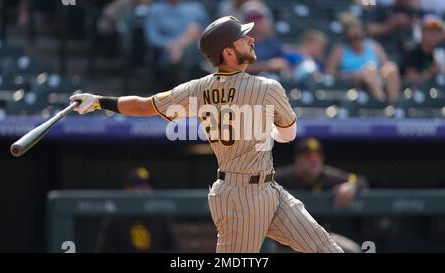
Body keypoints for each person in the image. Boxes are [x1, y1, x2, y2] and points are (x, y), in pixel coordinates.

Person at [70, 16, 344, 253]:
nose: (251, 40)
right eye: (243, 38)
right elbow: (289, 135)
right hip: (242, 195)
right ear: (228, 52)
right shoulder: (267, 87)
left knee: (325, 247)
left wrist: (98, 101)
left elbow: (143, 106)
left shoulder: (196, 90)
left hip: (265, 189)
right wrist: (268, 130)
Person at [275, 138, 369, 253]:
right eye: (308, 157)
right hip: (285, 240)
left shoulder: (326, 175)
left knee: (352, 250)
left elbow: (359, 180)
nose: (314, 162)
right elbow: (264, 183)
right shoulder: (284, 176)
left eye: (317, 157)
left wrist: (351, 186)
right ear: (297, 159)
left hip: (321, 237)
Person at [95, 167, 177, 253]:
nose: (143, 190)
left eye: (147, 186)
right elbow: (104, 249)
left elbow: (173, 248)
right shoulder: (116, 216)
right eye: (139, 186)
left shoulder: (160, 215)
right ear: (127, 189)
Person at [326, 12, 401, 104]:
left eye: (360, 37)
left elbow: (385, 64)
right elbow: (329, 73)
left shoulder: (374, 46)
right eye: (353, 38)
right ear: (347, 37)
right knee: (368, 73)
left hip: (376, 76)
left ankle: (394, 104)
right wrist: (351, 75)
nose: (357, 41)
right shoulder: (340, 50)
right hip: (354, 81)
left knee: (391, 67)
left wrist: (378, 71)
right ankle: (381, 102)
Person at [402, 14, 445, 88]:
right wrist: (431, 72)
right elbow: (413, 80)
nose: (434, 35)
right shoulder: (413, 51)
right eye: (430, 31)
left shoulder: (440, 51)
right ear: (422, 32)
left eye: (437, 31)